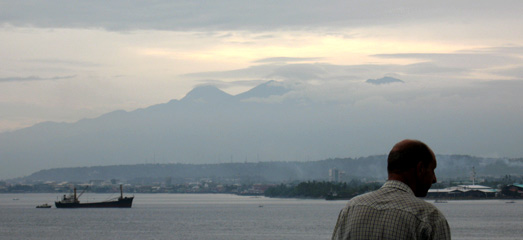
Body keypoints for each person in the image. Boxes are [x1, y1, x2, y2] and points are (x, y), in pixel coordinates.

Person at [331, 139, 451, 240]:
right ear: (420, 169)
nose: (434, 179)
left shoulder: (351, 209)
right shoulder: (429, 217)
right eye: (433, 170)